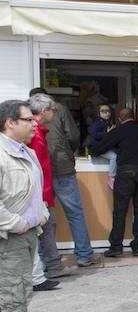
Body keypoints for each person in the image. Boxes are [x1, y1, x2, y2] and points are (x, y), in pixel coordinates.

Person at [0, 100, 55, 312]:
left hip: (29, 231)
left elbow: (34, 189)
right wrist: (17, 223)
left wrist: (41, 214)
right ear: (10, 123)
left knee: (11, 288)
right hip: (9, 235)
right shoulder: (2, 153)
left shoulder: (26, 151)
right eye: (27, 120)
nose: (34, 124)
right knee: (16, 290)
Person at [36, 88, 97, 268]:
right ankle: (84, 255)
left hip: (41, 173)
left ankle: (44, 260)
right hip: (62, 166)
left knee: (43, 216)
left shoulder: (27, 117)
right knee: (75, 214)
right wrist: (69, 152)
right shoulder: (59, 108)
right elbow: (73, 135)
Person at [91, 108, 138, 257]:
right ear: (134, 117)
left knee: (120, 211)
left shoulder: (120, 130)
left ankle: (116, 247)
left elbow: (97, 149)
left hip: (125, 173)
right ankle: (137, 246)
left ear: (119, 119)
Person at [28, 94, 74, 287]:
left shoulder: (39, 133)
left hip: (43, 191)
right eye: (53, 110)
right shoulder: (36, 136)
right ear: (44, 111)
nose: (55, 113)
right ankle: (46, 270)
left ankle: (48, 267)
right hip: (41, 193)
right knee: (45, 228)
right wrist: (43, 196)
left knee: (45, 228)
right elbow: (36, 168)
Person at [89, 103, 117, 189]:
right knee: (114, 157)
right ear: (98, 113)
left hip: (104, 147)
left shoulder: (107, 123)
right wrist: (107, 133)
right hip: (98, 148)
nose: (107, 113)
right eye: (104, 111)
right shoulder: (97, 123)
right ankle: (111, 177)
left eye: (108, 111)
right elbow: (94, 134)